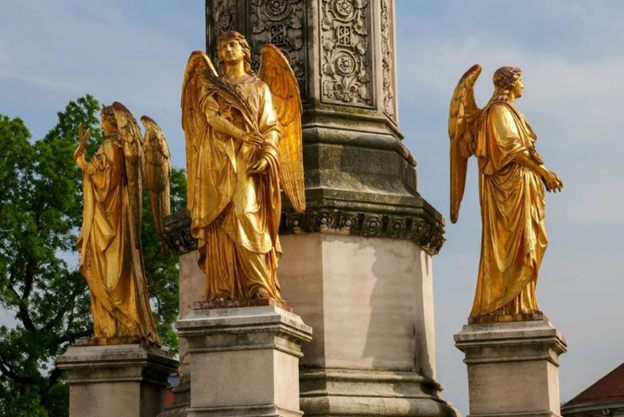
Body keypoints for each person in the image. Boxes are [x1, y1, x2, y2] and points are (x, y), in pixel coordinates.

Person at [189, 31, 284, 301]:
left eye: (233, 45)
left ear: (244, 51)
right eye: (222, 47)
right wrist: (242, 134)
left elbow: (271, 126)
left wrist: (268, 153)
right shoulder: (212, 85)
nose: (228, 50)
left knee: (246, 212)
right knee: (218, 220)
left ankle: (258, 283)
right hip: (217, 156)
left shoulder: (259, 87)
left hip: (248, 157)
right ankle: (221, 288)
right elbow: (210, 117)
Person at [470, 66, 563, 317]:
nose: (523, 86)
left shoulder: (511, 113)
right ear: (510, 84)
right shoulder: (498, 112)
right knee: (514, 246)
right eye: (521, 81)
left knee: (534, 242)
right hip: (508, 192)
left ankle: (524, 303)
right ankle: (504, 305)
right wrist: (544, 172)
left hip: (522, 189)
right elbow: (512, 149)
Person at [74, 105, 160, 344]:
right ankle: (107, 330)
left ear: (113, 121)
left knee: (109, 273)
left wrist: (82, 161)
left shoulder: (111, 146)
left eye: (104, 121)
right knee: (110, 272)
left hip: (109, 219)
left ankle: (122, 327)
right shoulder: (119, 146)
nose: (102, 126)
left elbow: (106, 181)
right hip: (111, 217)